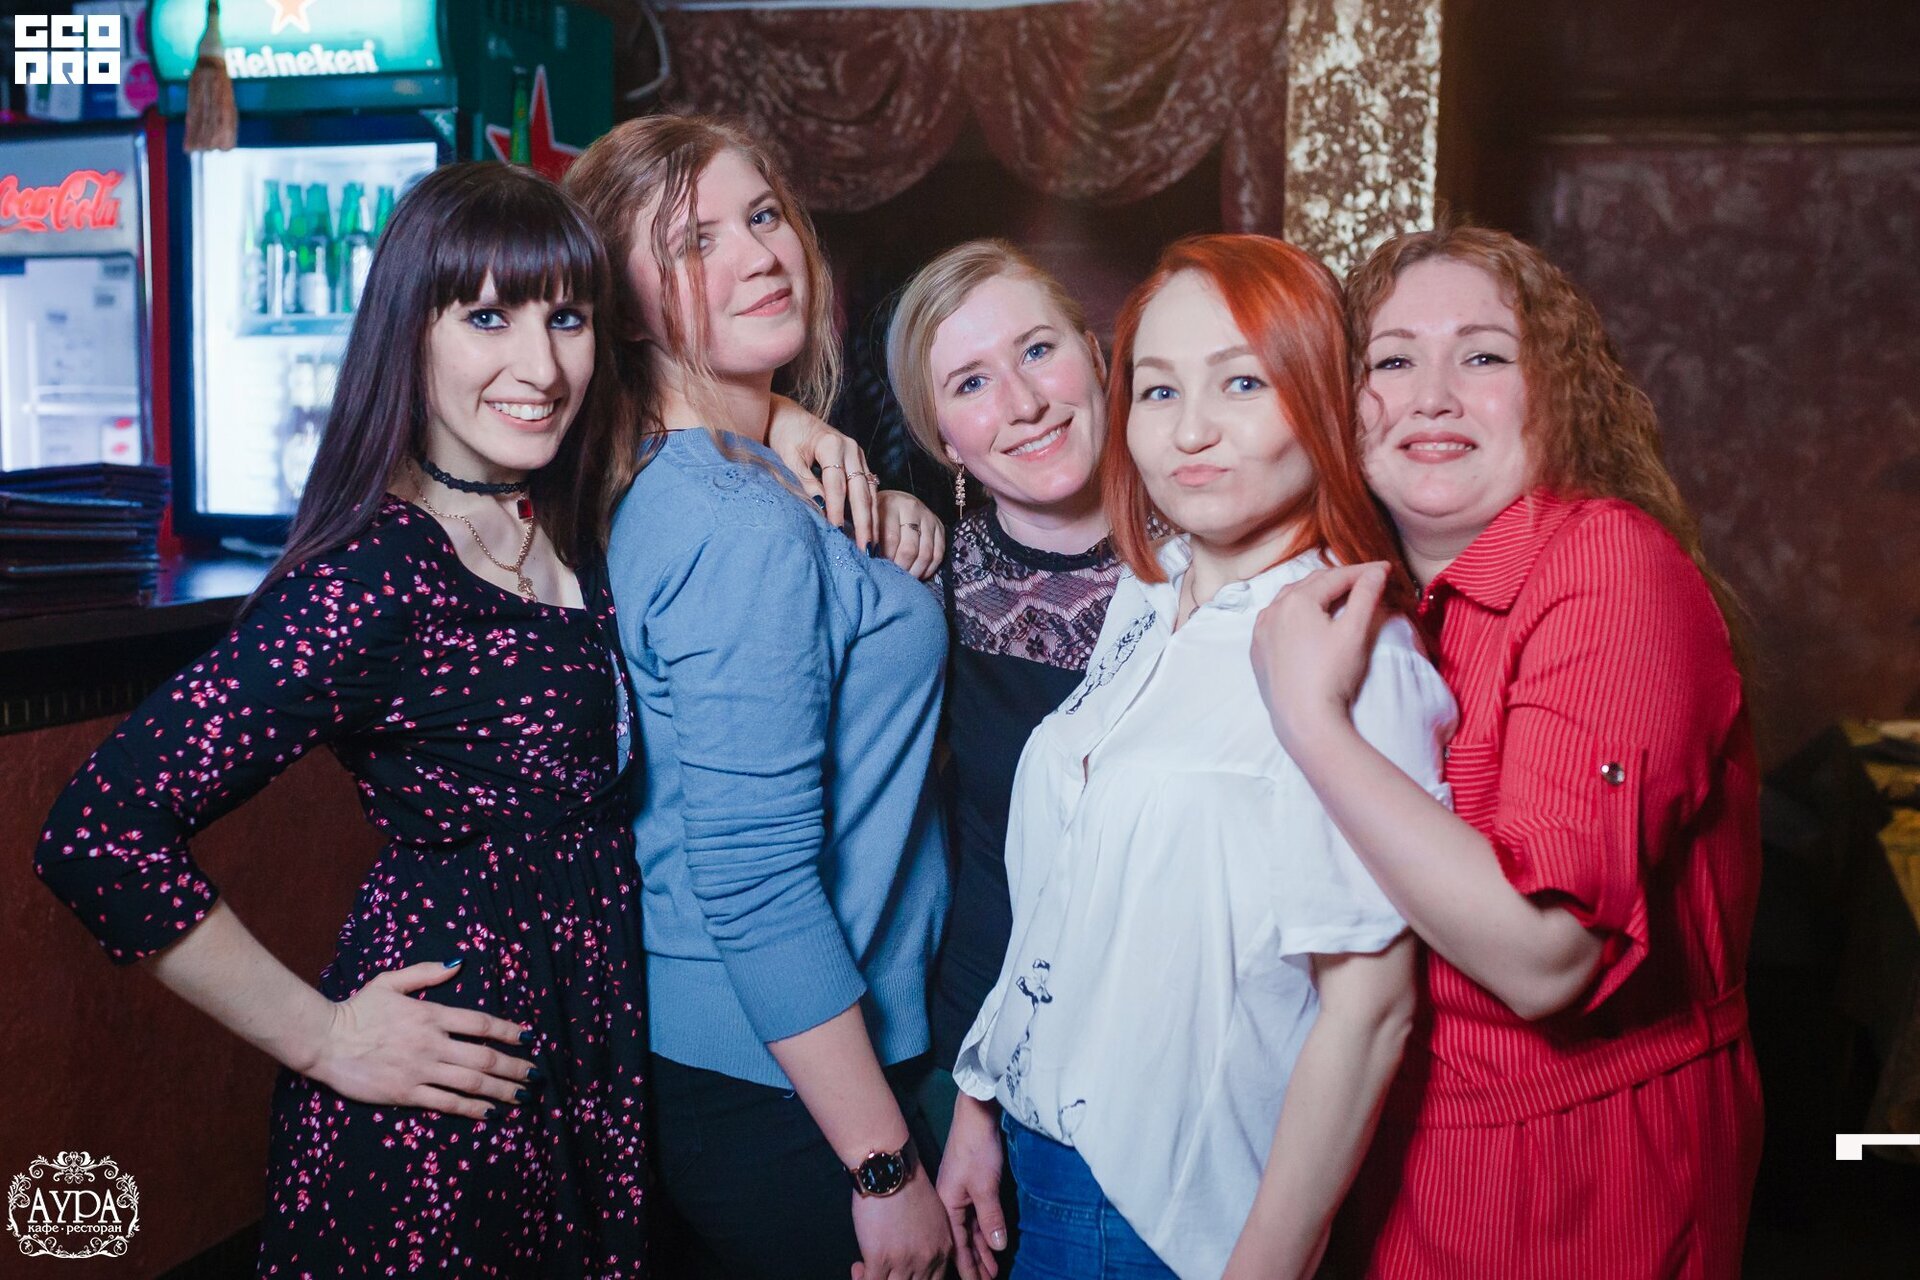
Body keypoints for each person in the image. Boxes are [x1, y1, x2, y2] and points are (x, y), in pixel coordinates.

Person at [35, 162, 649, 1273]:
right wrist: (322, 1035)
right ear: (409, 333)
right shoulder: (375, 576)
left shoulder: (560, 513)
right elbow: (99, 831)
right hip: (447, 1104)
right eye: (488, 317)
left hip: (579, 1063)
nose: (543, 365)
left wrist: (823, 444)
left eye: (567, 317)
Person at [1250, 222, 1763, 1279]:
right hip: (1395, 1148)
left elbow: (1545, 957)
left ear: (1557, 392)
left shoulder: (1611, 567)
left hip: (1574, 1180)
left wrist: (1313, 724)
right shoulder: (1368, 593)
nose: (1433, 396)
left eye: (1484, 356)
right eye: (1392, 361)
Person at [951, 234, 1456, 1280]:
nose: (1190, 430)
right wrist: (979, 1094)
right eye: (1158, 389)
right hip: (1036, 1163)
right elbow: (1069, 889)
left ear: (1322, 399)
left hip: (1159, 1216)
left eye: (1242, 382)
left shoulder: (1355, 647)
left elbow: (1370, 1012)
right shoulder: (1153, 588)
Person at [565, 115, 953, 1280]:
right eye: (695, 242)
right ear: (626, 307)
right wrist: (883, 1167)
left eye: (765, 215)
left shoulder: (711, 474)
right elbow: (754, 878)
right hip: (790, 1085)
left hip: (773, 1059)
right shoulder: (736, 522)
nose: (760, 254)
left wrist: (800, 438)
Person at [883, 238, 1122, 1277]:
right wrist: (974, 1097)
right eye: (971, 382)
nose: (1022, 403)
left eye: (1038, 350)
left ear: (1097, 356)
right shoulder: (918, 584)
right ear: (943, 437)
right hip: (986, 1051)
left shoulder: (1219, 550)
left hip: (1179, 1056)